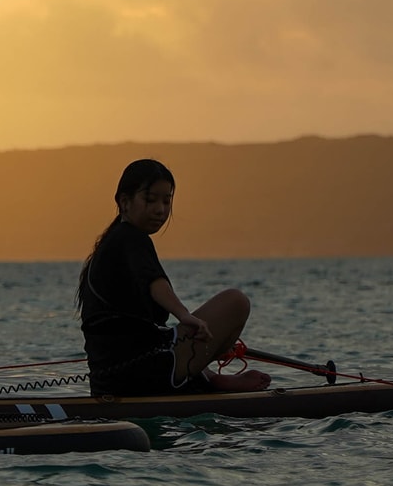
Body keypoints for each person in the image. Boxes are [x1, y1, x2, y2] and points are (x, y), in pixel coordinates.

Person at [76, 158, 268, 397]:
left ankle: (211, 378)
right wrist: (184, 315)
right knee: (236, 301)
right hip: (140, 374)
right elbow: (155, 283)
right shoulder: (130, 238)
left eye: (166, 201)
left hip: (109, 381)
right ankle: (207, 380)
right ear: (124, 202)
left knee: (170, 335)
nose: (160, 210)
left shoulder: (112, 242)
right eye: (150, 200)